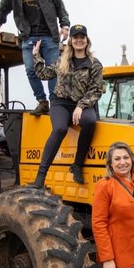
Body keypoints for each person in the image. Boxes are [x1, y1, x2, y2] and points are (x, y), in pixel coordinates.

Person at [0, 0, 70, 116]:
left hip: (49, 35)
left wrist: (65, 26)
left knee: (53, 70)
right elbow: (2, 9)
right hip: (28, 37)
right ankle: (42, 101)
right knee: (30, 70)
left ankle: (55, 102)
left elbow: (60, 6)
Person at [31, 25, 103, 188]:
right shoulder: (62, 59)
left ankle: (77, 164)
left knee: (90, 121)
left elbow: (96, 90)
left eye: (82, 37)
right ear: (71, 41)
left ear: (87, 41)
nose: (79, 40)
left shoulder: (94, 64)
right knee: (59, 129)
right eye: (75, 37)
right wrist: (36, 56)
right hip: (60, 103)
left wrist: (81, 106)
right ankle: (40, 176)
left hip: (81, 103)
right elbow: (44, 74)